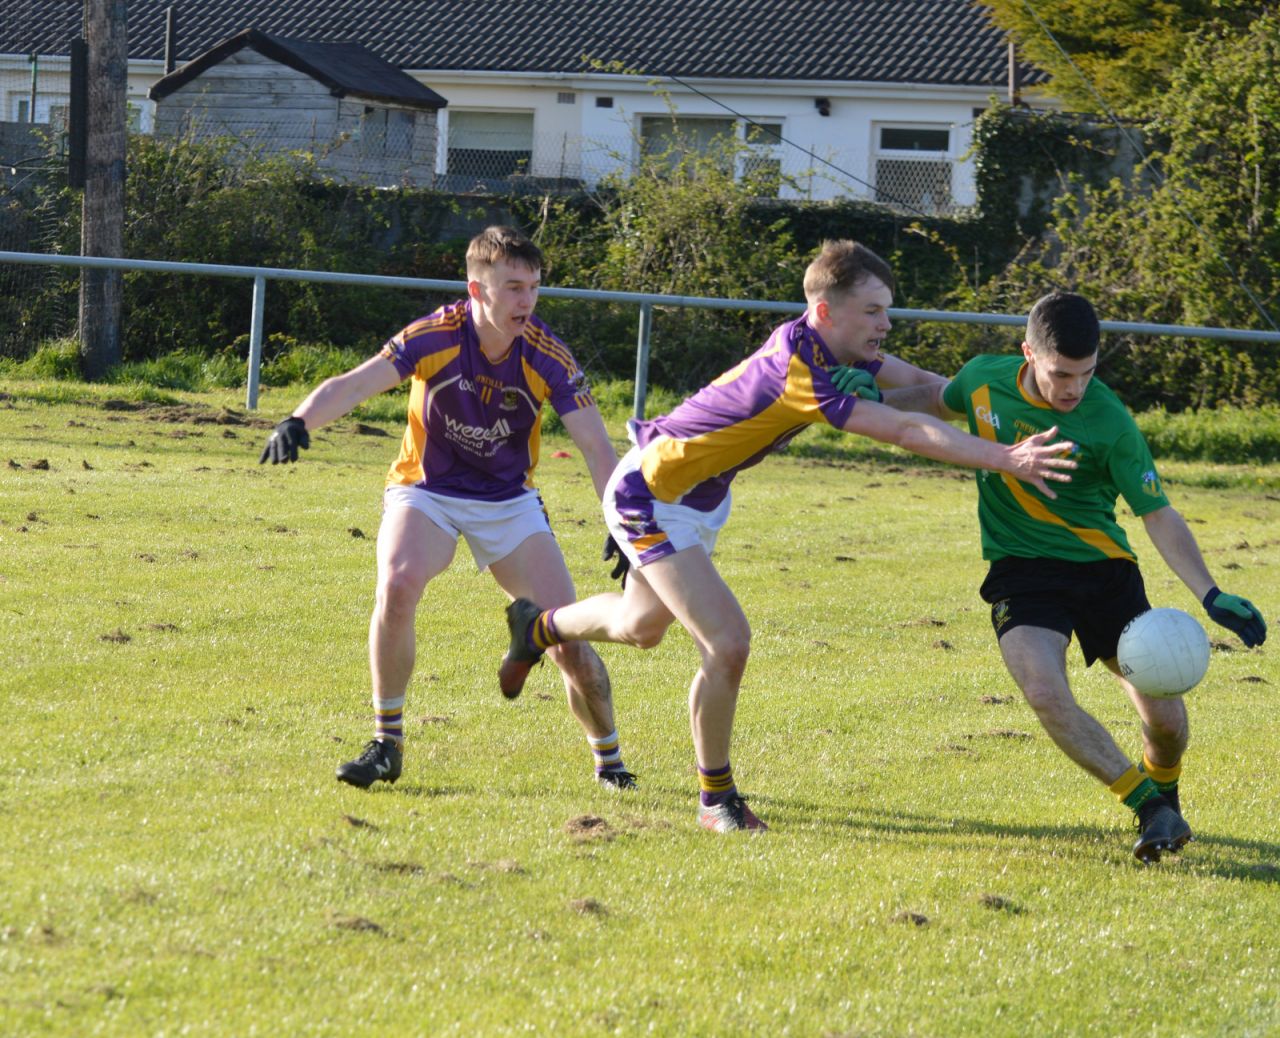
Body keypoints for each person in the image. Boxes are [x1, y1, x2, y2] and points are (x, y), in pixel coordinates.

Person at [496, 240, 1079, 833]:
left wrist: (1022, 389)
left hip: (701, 500)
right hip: (648, 495)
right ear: (826, 311)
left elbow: (936, 392)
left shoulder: (835, 351)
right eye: (873, 310)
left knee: (640, 629)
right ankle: (715, 798)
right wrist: (1006, 457)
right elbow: (905, 429)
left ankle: (538, 626)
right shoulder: (800, 368)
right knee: (728, 644)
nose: (887, 322)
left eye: (888, 309)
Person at [833, 290, 1267, 862]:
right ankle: (1148, 807)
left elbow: (1157, 514)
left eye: (1086, 374)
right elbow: (939, 399)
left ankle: (1165, 786)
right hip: (1022, 572)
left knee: (1165, 723)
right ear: (1028, 354)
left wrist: (1209, 592)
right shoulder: (985, 379)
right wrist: (876, 400)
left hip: (1104, 572)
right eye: (1062, 373)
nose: (1074, 388)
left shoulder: (1109, 421)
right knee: (1042, 688)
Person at [259, 225, 636, 791]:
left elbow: (596, 445)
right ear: (477, 289)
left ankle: (609, 760)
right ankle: (387, 742)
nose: (526, 301)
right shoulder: (434, 335)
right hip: (426, 490)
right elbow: (356, 384)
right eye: (512, 287)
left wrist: (621, 521)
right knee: (398, 582)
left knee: (569, 645)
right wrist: (298, 419)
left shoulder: (546, 353)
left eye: (533, 287)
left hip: (508, 502)